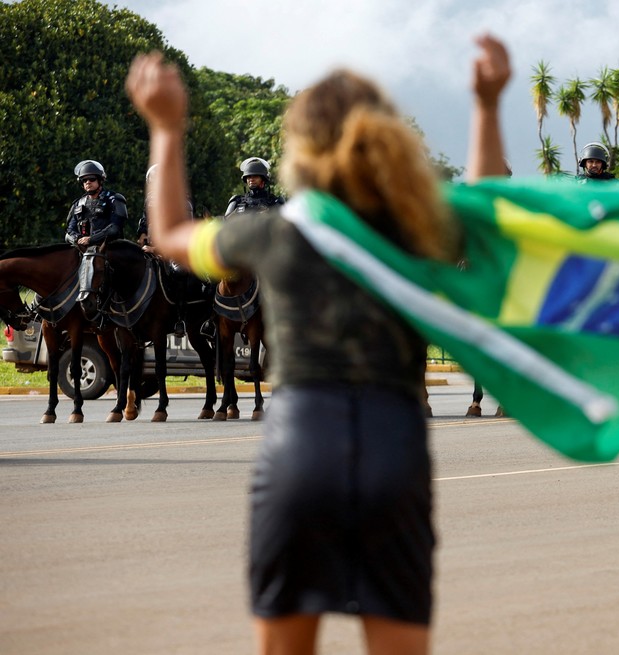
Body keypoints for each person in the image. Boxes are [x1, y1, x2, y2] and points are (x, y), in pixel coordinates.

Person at [127, 33, 512, 654]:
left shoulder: (274, 234)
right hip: (395, 448)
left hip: (299, 449)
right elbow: (488, 205)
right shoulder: (419, 231)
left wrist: (167, 128)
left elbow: (170, 231)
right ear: (388, 144)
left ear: (300, 148)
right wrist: (488, 106)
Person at [65, 159, 128, 303]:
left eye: (92, 179)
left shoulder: (114, 199)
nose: (88, 182)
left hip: (109, 251)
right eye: (84, 180)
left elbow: (115, 229)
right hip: (83, 251)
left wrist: (91, 239)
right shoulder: (77, 204)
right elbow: (69, 231)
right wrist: (77, 239)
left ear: (100, 180)